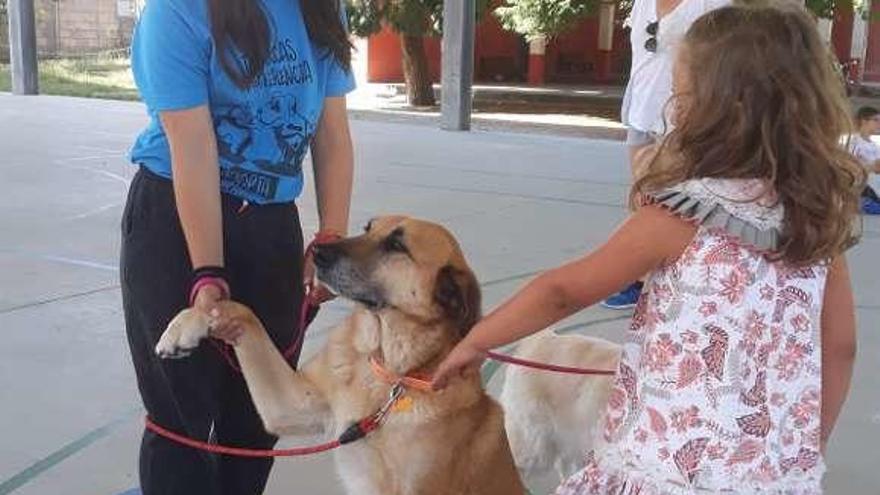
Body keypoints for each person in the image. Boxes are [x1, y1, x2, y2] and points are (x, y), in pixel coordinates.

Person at [433, 2, 862, 493]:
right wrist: (804, 448)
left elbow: (562, 292)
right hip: (773, 475)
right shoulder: (816, 223)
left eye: (680, 93)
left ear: (716, 109)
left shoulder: (681, 216)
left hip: (667, 470)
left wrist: (473, 341)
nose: (672, 106)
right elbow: (841, 347)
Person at [121, 0, 355, 493]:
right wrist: (207, 273)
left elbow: (331, 130)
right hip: (175, 221)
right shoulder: (177, 11)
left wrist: (331, 237)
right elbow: (193, 147)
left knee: (256, 414)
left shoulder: (321, 7)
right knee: (180, 418)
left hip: (270, 226)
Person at [603, 0, 729, 310]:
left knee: (676, 205)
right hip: (642, 112)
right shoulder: (642, 4)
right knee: (640, 200)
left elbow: (723, 67)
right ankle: (637, 277)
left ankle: (664, 281)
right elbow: (639, 58)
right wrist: (632, 106)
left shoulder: (712, 5)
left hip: (683, 120)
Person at [845, 106, 880, 214]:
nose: (879, 123)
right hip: (863, 195)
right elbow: (848, 172)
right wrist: (872, 166)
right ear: (863, 121)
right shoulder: (853, 143)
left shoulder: (875, 146)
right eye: (876, 120)